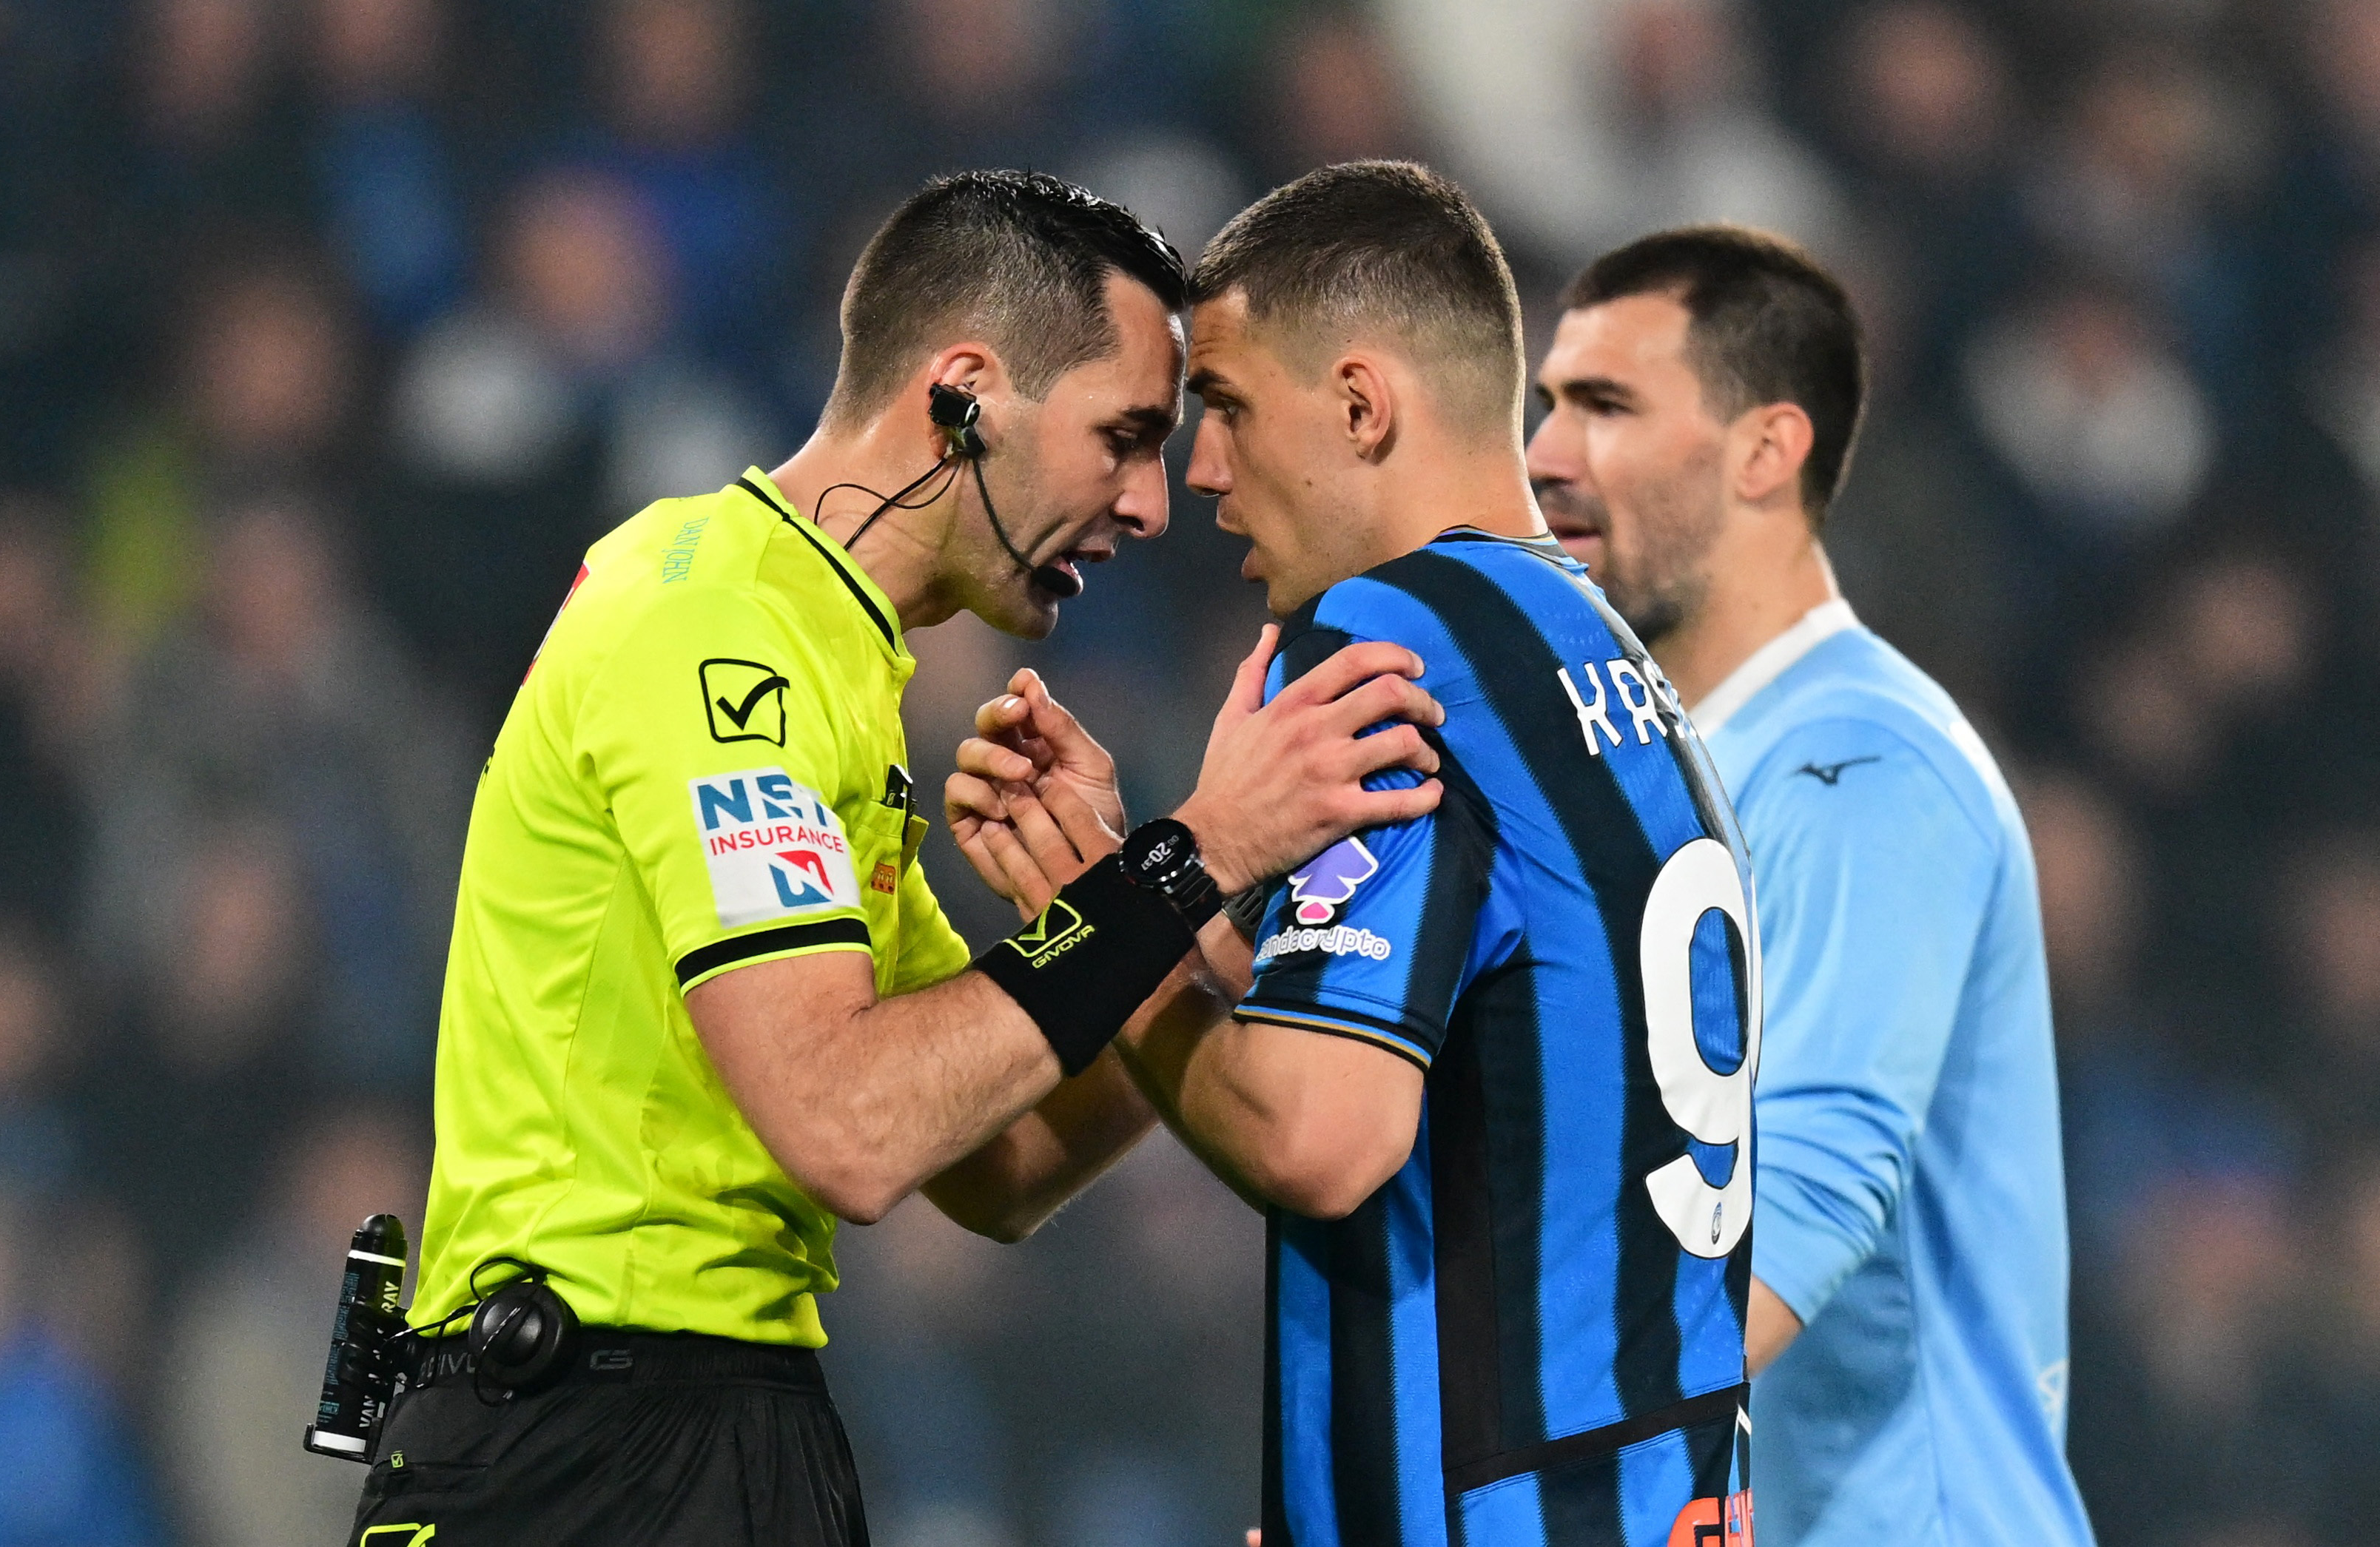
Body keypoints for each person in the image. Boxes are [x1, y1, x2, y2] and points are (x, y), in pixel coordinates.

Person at [353, 169, 1448, 1547]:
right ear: (964, 395)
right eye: (1121, 438)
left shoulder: (829, 657)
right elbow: (851, 1128)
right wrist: (1184, 853)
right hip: (582, 1444)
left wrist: (1197, 910)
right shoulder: (717, 629)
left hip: (716, 1427)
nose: (1152, 506)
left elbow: (995, 1164)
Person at [949, 161, 1761, 1546]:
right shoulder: (1605, 657)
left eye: (1227, 409)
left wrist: (1124, 908)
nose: (1196, 472)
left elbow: (1322, 1135)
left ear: (1360, 405)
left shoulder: (1387, 642)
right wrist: (1181, 904)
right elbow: (1471, 1065)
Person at [1525, 225, 2095, 1545]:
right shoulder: (1678, 770)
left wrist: (1459, 1448)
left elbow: (1804, 1195)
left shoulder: (1860, 766)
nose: (1546, 454)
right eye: (1547, 404)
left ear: (1765, 453)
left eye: (1605, 406)